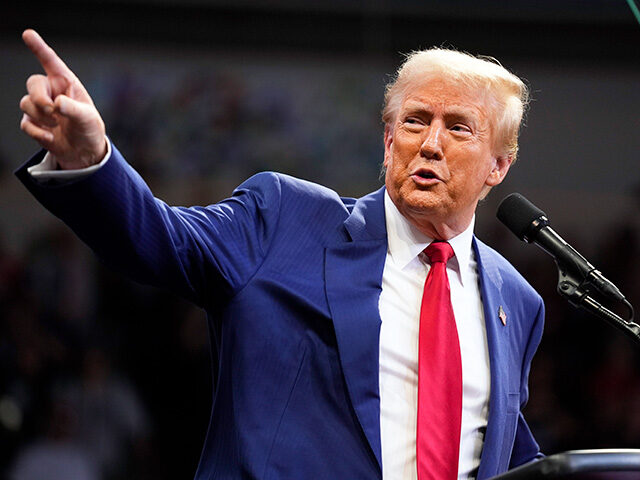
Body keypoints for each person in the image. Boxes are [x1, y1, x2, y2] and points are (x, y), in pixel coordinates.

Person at [16, 29, 544, 480]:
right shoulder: (285, 220)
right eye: (414, 121)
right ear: (387, 141)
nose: (430, 143)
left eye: (457, 127)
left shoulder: (516, 301)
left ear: (499, 165)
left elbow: (501, 448)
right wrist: (93, 161)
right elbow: (161, 240)